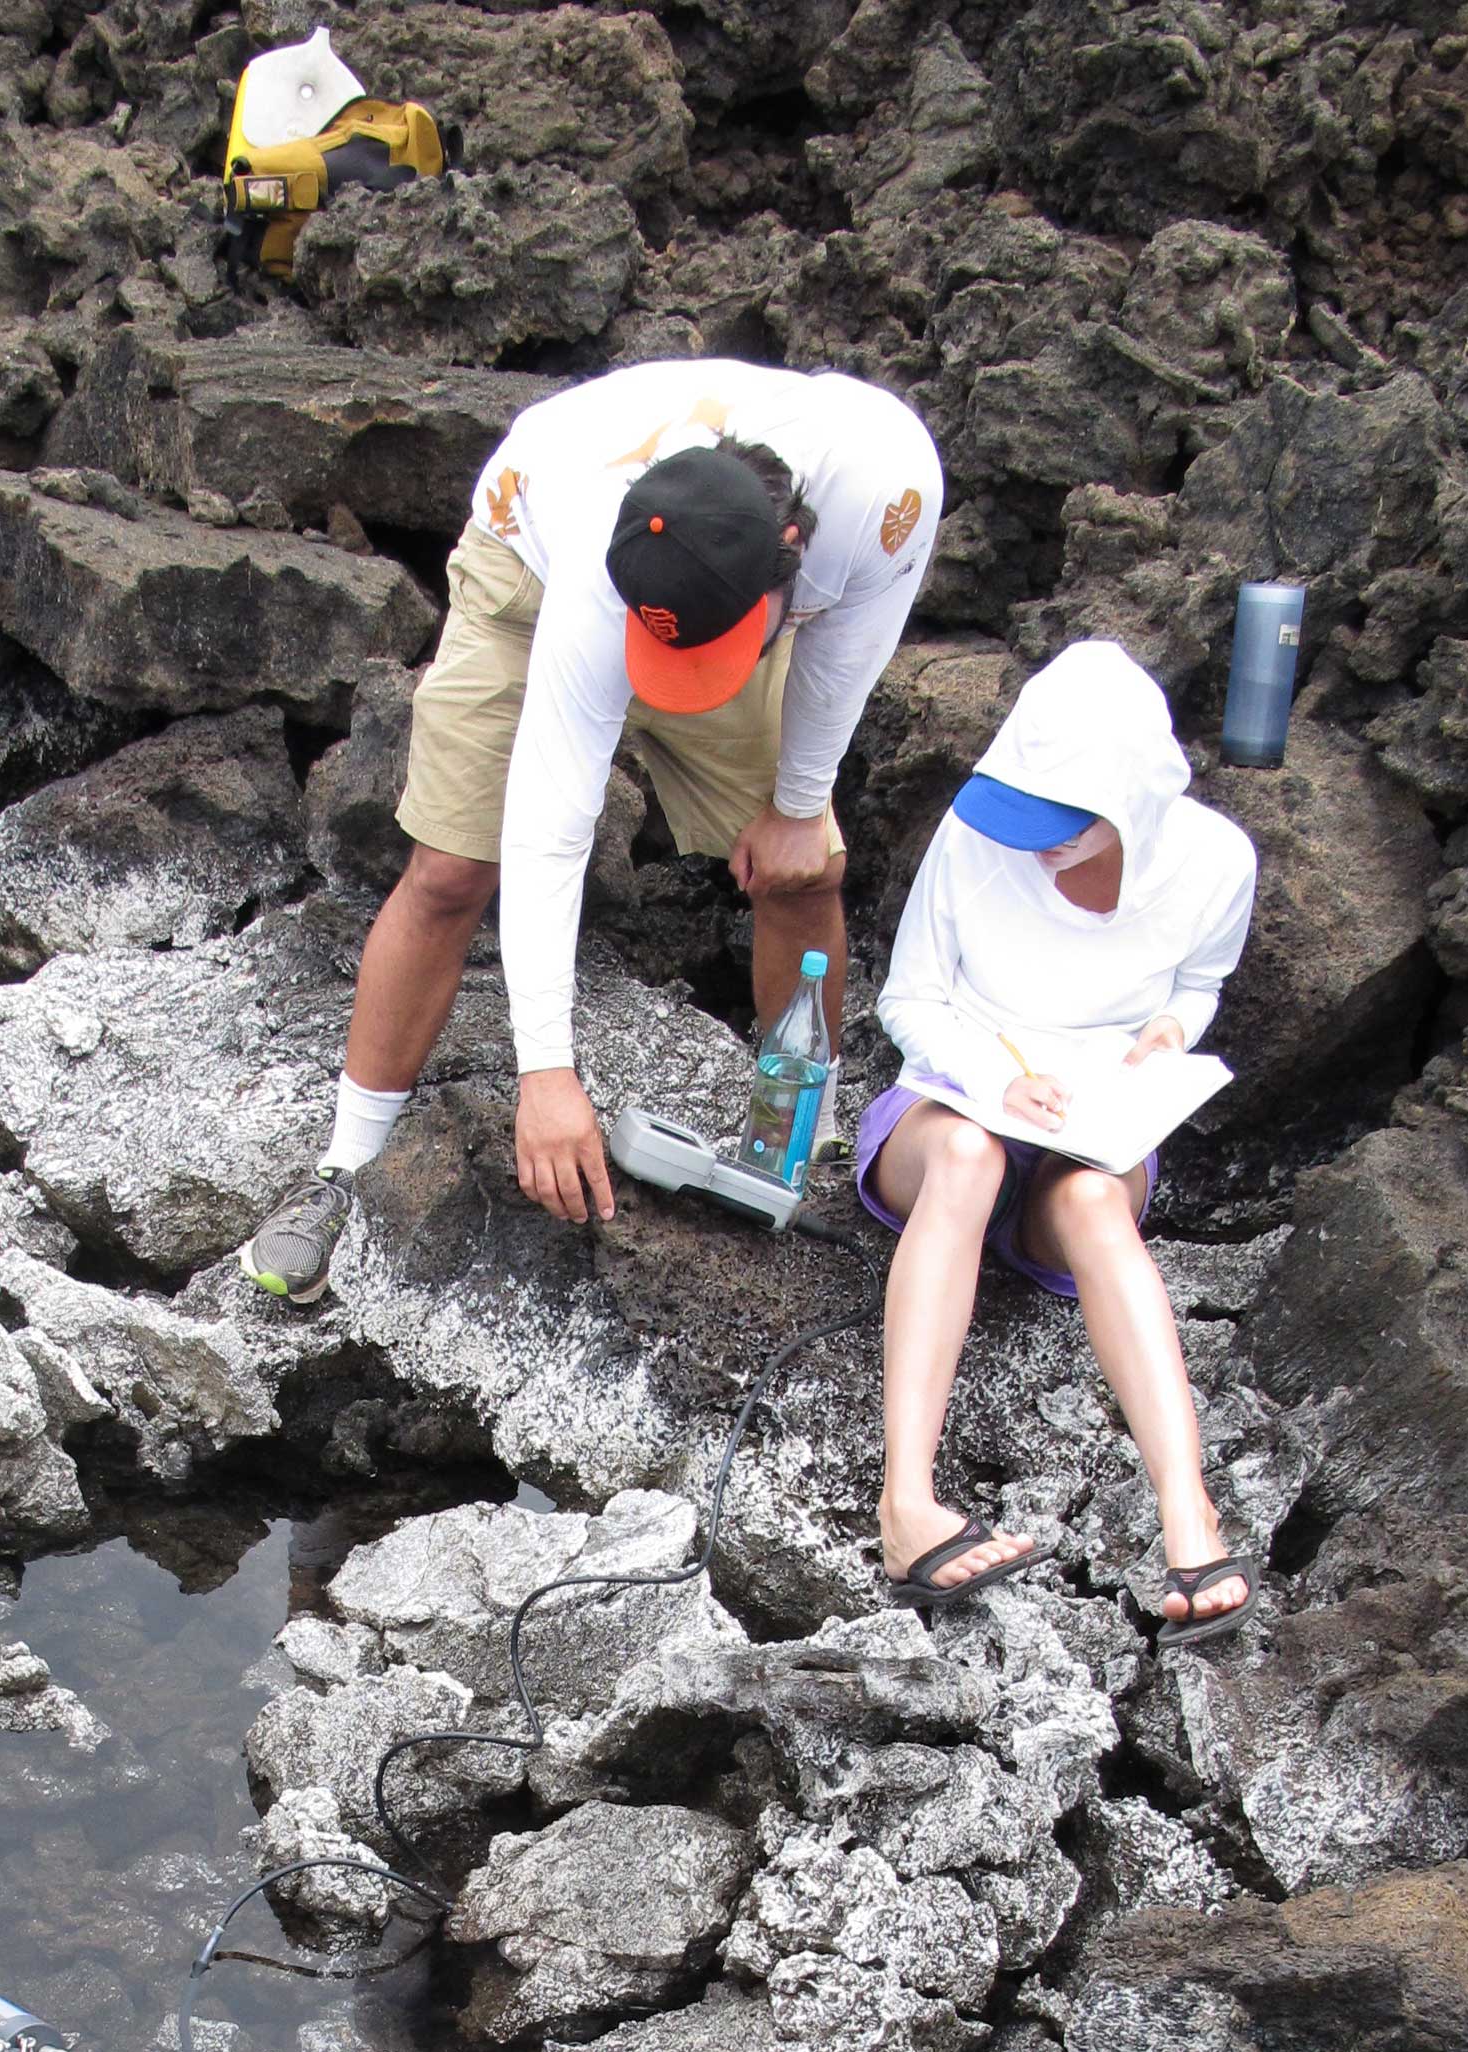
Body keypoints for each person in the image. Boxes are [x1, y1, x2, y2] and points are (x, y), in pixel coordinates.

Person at [241, 357, 943, 1301]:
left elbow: (847, 645)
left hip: (730, 597)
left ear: (792, 550)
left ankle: (799, 1152)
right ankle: (345, 1167)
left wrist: (798, 803)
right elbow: (552, 819)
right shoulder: (596, 559)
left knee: (803, 869)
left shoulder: (885, 481)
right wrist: (547, 1075)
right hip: (529, 567)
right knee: (450, 871)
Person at [858, 639, 1260, 1644]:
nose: (1036, 843)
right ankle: (907, 1504)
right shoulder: (971, 836)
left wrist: (1170, 1033)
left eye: (1065, 823)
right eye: (1024, 816)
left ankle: (1187, 1512)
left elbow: (1196, 985)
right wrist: (997, 1083)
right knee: (967, 1156)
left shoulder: (1216, 862)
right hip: (956, 1101)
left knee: (1089, 1202)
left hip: (1095, 1124)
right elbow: (909, 997)